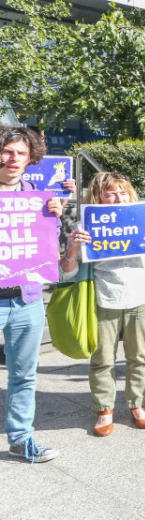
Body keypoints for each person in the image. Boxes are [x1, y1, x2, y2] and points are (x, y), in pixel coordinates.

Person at [60, 172, 145, 436]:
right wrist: (74, 248)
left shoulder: (144, 217)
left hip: (142, 296)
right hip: (104, 298)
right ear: (98, 197)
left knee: (139, 356)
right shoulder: (83, 224)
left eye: (123, 191)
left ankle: (137, 405)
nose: (118, 197)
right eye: (110, 192)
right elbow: (66, 271)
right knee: (102, 359)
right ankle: (104, 409)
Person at [0, 126, 73, 463]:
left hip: (26, 300)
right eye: (7, 151)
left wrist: (56, 217)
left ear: (31, 159)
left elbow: (47, 247)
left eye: (20, 153)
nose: (12, 159)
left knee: (24, 375)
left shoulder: (39, 197)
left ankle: (21, 439)